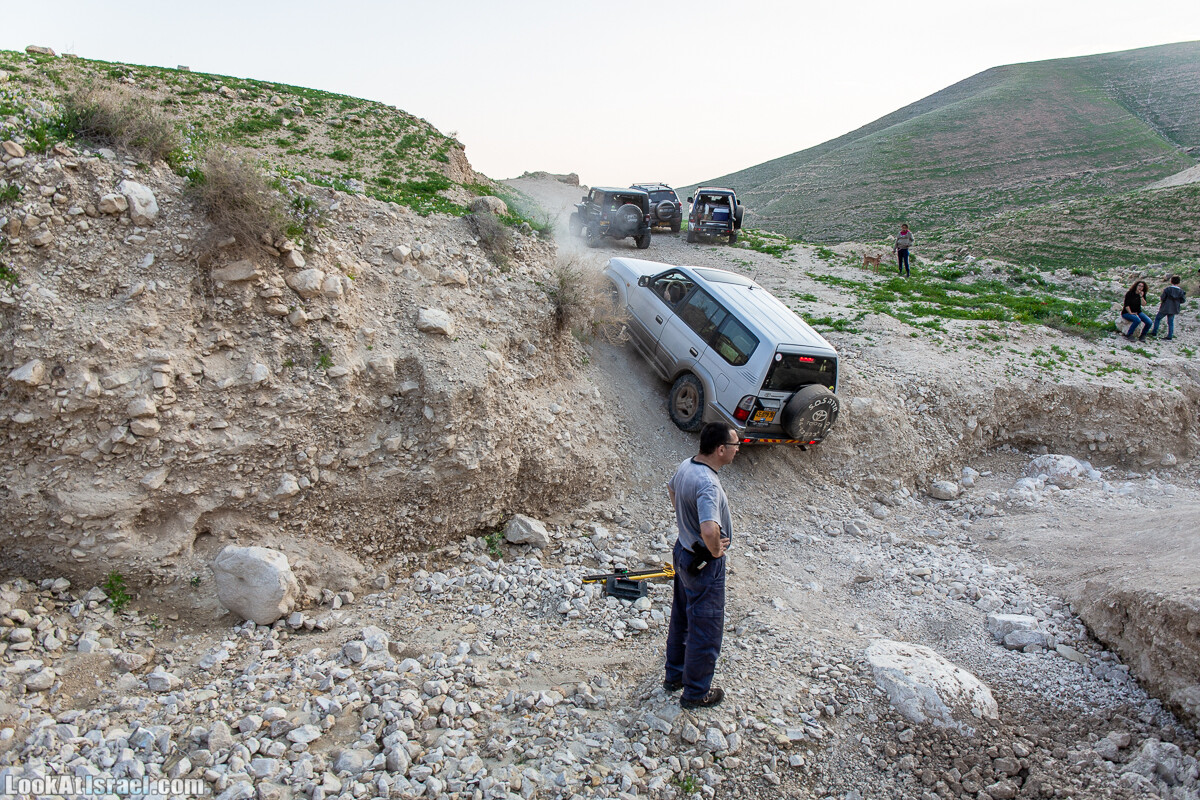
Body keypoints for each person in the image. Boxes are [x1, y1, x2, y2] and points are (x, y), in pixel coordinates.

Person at [663, 422, 739, 709]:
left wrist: (685, 521)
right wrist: (715, 549)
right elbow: (709, 528)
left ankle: (674, 676)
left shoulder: (687, 465)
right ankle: (696, 693)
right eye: (735, 445)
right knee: (706, 627)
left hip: (683, 552)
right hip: (703, 563)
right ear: (720, 449)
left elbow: (671, 489)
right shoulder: (708, 483)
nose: (737, 449)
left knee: (682, 618)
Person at [1151, 276, 1187, 340]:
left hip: (1165, 307)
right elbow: (1183, 300)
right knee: (1170, 322)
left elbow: (1162, 298)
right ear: (1179, 282)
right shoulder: (1181, 291)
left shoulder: (1167, 289)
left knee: (1158, 319)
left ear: (1171, 281)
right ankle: (1170, 336)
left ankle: (1154, 332)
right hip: (1174, 308)